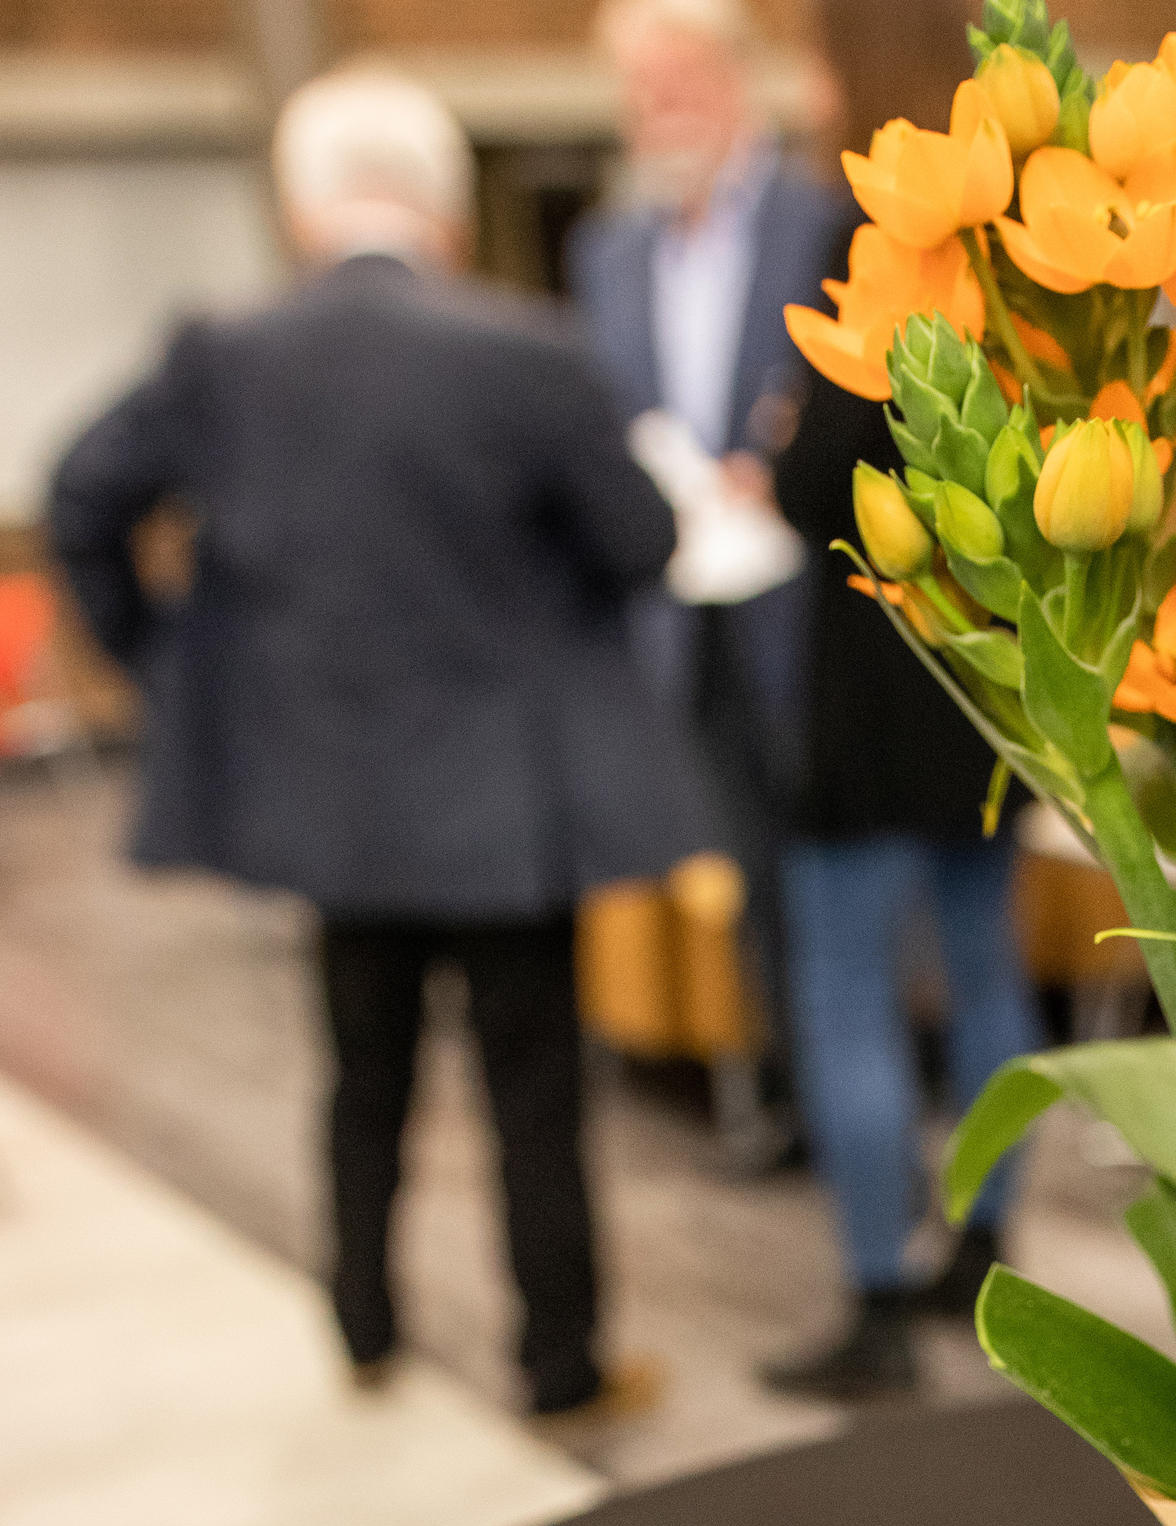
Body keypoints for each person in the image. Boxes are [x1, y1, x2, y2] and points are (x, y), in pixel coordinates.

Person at [47, 64, 692, 1421]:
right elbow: (644, 541)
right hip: (505, 812)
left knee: (361, 1078)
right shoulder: (525, 352)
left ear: (303, 204)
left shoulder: (226, 356)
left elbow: (81, 498)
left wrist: (170, 669)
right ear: (444, 210)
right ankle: (559, 1363)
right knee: (532, 1093)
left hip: (330, 802)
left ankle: (363, 1327)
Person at [759, 0, 1039, 1404]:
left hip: (876, 678)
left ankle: (875, 1301)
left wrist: (778, 446)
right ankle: (980, 1251)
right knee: (984, 965)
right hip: (991, 674)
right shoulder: (1027, 237)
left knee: (844, 992)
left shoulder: (871, 232)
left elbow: (825, 487)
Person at [570, 0, 839, 1125]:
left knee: (836, 871)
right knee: (741, 864)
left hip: (811, 604)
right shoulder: (609, 249)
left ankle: (856, 1098)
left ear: (736, 84)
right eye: (638, 90)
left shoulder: (822, 221)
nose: (656, 111)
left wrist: (778, 459)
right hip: (685, 608)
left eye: (676, 82)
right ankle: (779, 1088)